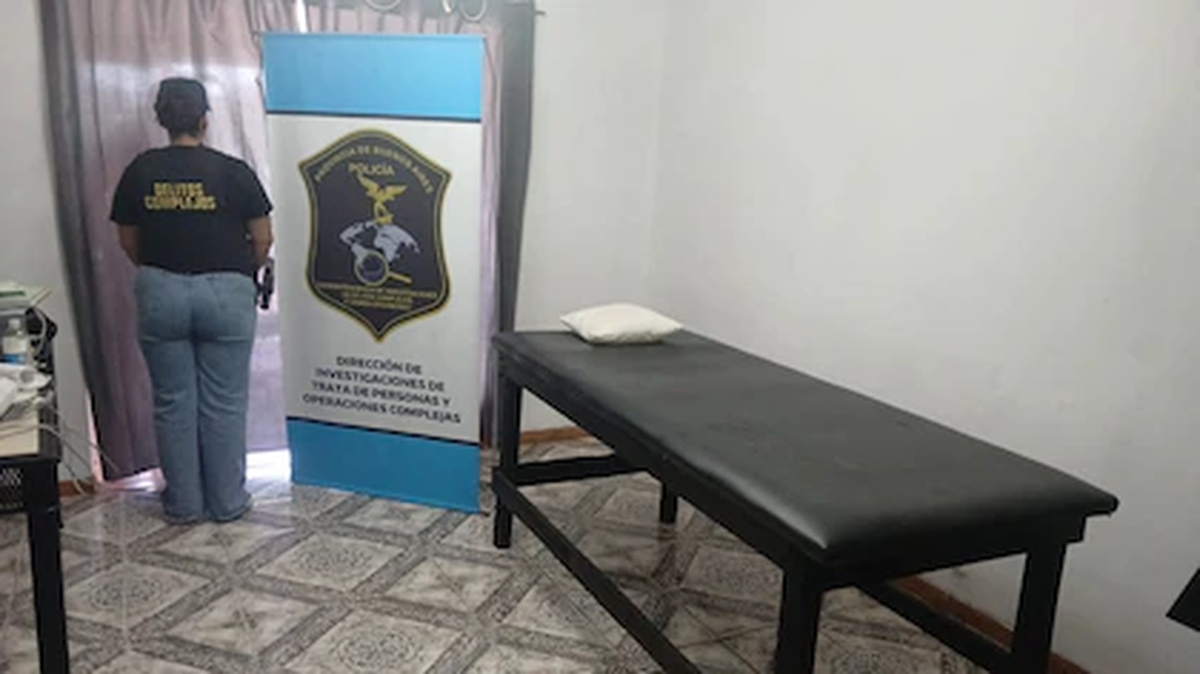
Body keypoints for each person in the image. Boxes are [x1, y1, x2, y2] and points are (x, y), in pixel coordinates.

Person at [110, 77, 274, 524]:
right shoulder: (234, 171)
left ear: (162, 120)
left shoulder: (140, 171)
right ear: (205, 120)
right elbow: (263, 239)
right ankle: (228, 502)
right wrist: (236, 271)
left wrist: (164, 272)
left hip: (160, 288)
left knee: (173, 401)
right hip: (226, 292)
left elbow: (128, 241)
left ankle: (183, 504)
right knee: (224, 402)